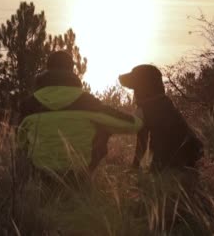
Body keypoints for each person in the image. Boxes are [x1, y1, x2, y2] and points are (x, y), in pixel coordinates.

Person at [17, 51, 143, 180]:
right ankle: (87, 178)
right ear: (72, 70)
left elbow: (20, 142)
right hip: (79, 175)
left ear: (47, 69)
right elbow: (133, 125)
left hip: (41, 174)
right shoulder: (86, 101)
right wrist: (140, 114)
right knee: (103, 126)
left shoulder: (28, 105)